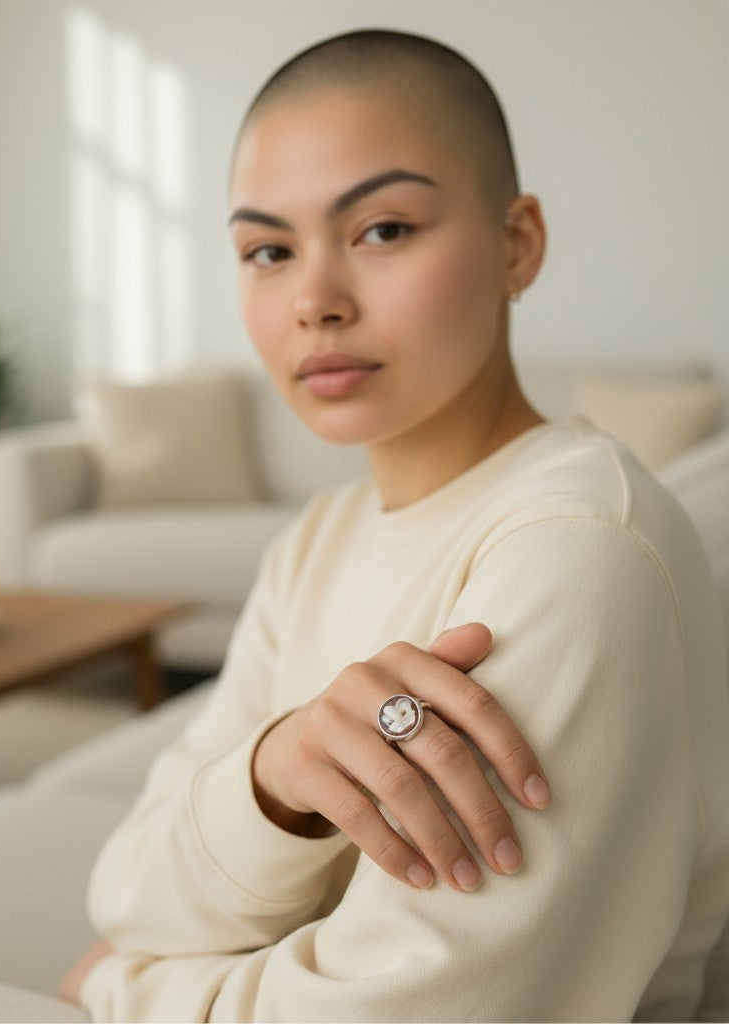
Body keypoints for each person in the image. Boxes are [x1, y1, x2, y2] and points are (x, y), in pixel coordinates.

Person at [61, 29, 729, 1022]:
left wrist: (125, 985)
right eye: (268, 251)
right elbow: (126, 888)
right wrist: (275, 774)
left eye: (381, 230)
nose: (314, 302)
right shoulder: (316, 539)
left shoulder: (580, 552)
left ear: (516, 245)